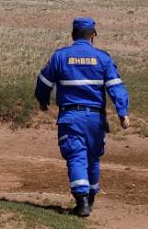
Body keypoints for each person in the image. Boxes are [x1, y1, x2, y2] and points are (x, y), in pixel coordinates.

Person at [34, 17, 129, 217]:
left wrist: (43, 101)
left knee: (76, 156)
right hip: (95, 120)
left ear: (72, 35)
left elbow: (43, 81)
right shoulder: (102, 58)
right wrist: (123, 112)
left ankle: (82, 202)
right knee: (93, 158)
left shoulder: (60, 56)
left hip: (71, 117)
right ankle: (91, 198)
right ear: (92, 36)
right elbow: (116, 87)